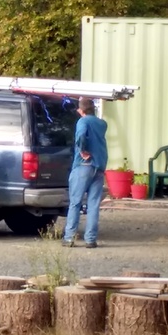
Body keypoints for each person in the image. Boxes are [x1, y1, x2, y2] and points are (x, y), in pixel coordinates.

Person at [62, 97, 108, 248]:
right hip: (99, 166)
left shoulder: (83, 121)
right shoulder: (102, 123)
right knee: (93, 204)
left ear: (80, 110)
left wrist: (83, 150)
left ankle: (69, 238)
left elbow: (81, 135)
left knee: (75, 202)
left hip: (83, 165)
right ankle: (91, 239)